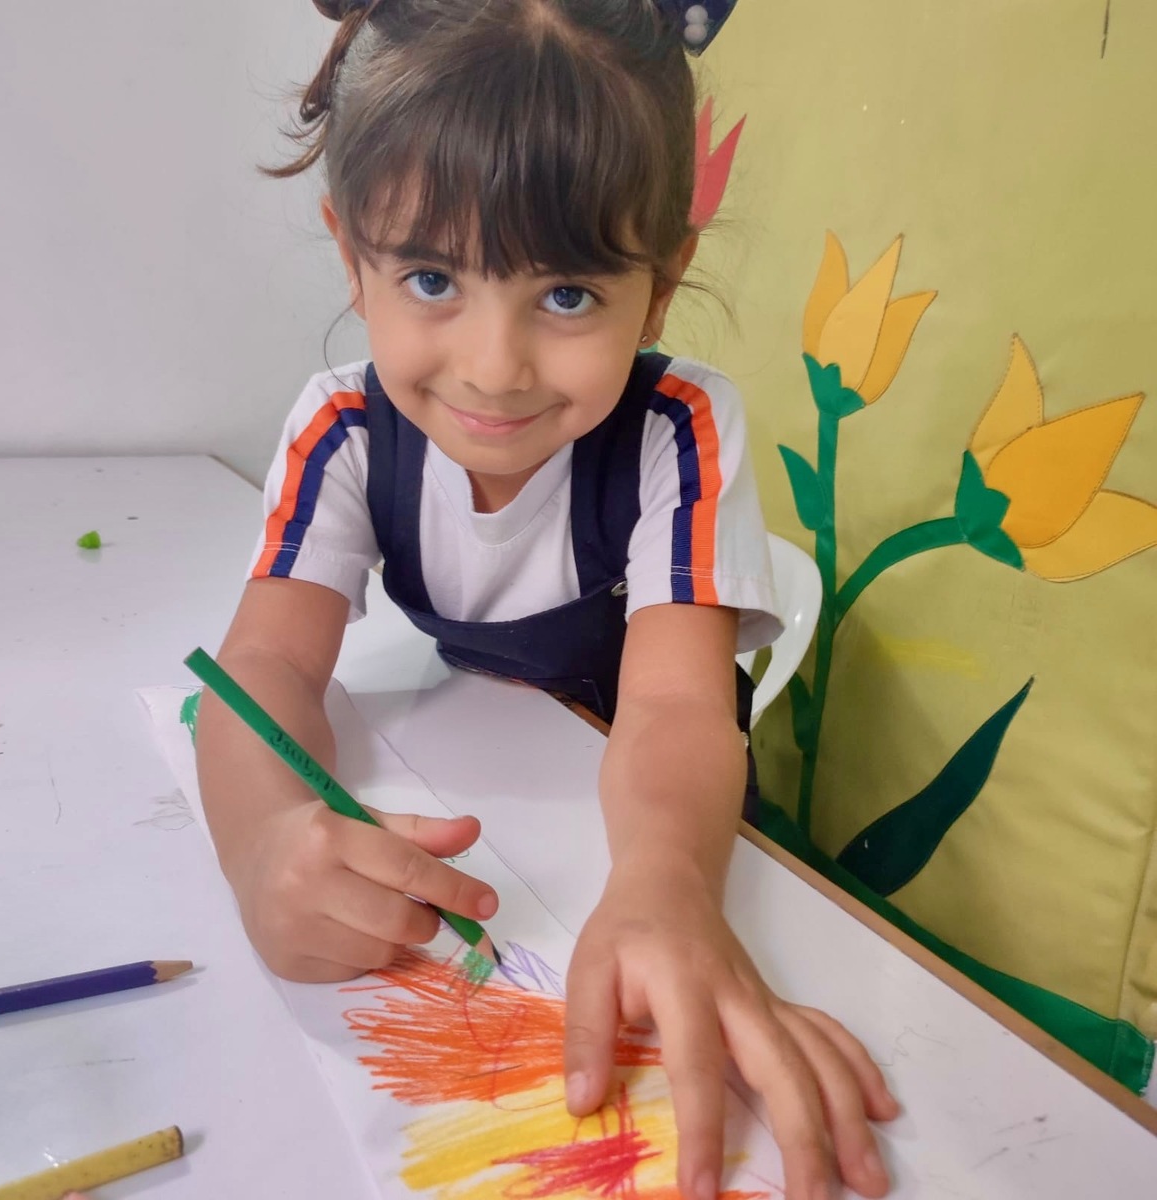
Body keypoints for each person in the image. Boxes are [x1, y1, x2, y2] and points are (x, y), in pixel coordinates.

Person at [196, 1, 898, 1197]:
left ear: (661, 285)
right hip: (495, 827)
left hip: (668, 823)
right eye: (431, 278)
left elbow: (674, 707)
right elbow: (265, 667)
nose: (494, 368)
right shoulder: (344, 431)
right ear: (350, 257)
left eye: (567, 294)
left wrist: (669, 885)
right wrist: (260, 841)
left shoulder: (679, 429)